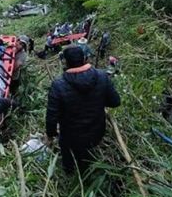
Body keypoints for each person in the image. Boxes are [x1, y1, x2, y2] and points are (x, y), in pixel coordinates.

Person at [45, 45, 121, 175]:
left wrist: (51, 134)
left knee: (69, 156)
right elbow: (115, 102)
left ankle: (69, 172)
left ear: (65, 63)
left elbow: (52, 116)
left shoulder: (59, 85)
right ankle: (87, 170)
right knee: (87, 155)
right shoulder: (102, 76)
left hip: (70, 138)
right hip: (96, 133)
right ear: (85, 59)